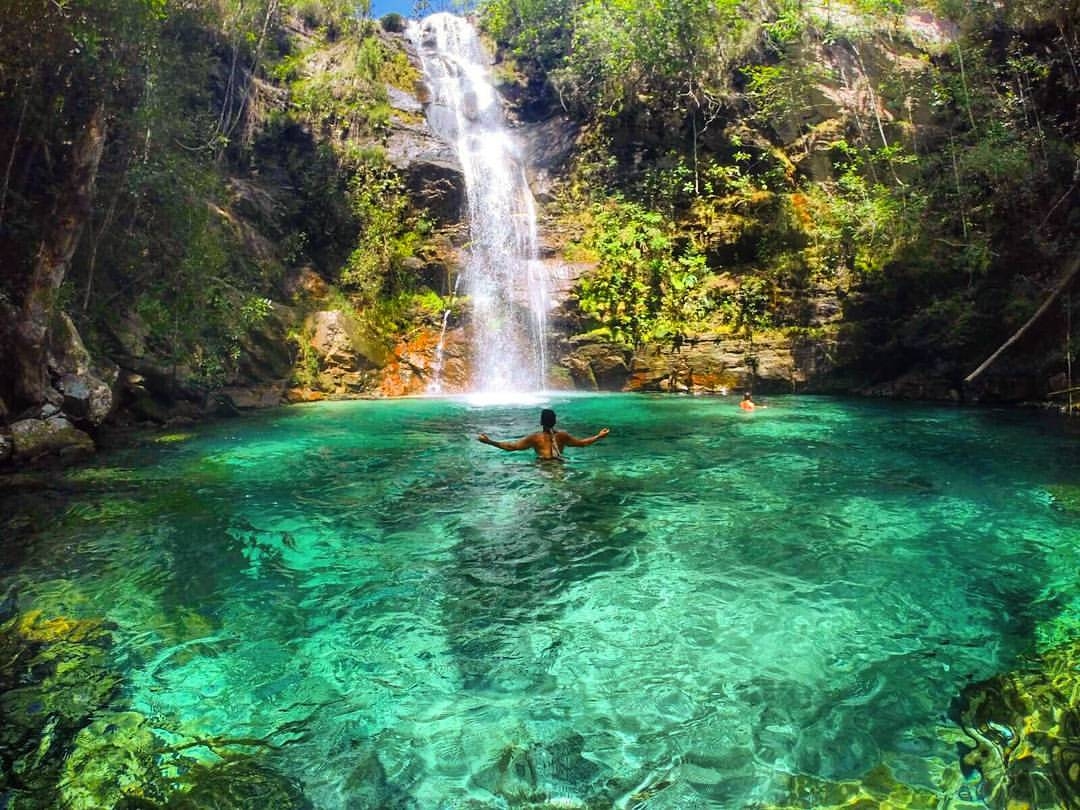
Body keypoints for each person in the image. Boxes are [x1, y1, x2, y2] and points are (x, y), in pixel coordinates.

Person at [477, 408, 609, 460]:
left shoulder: (535, 438)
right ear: (555, 421)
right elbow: (582, 444)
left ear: (540, 422)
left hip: (543, 467)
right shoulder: (562, 436)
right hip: (559, 465)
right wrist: (599, 436)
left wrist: (489, 441)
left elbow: (511, 447)